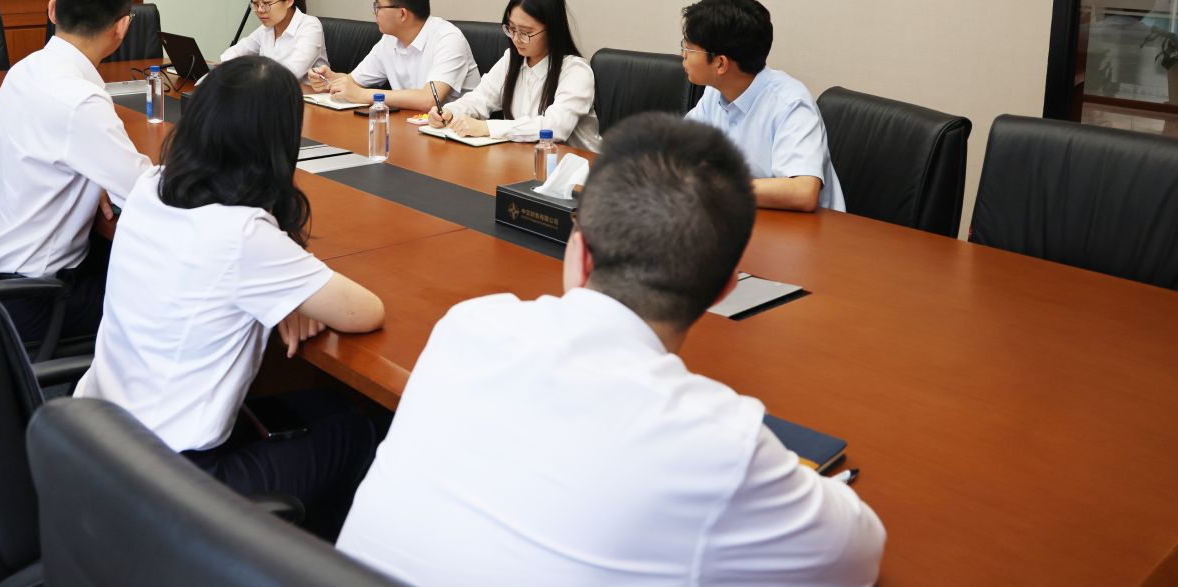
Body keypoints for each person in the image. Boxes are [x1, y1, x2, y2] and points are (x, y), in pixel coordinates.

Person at [337, 114, 885, 586]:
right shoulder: (719, 442)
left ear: (579, 252)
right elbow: (860, 553)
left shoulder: (469, 326)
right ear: (725, 289)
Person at [75, 55, 387, 540]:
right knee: (359, 432)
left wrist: (287, 293)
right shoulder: (242, 234)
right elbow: (366, 312)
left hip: (99, 441)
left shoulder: (151, 185)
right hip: (174, 479)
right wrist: (292, 294)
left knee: (311, 403)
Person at [0, 0, 152, 342]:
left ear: (52, 10)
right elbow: (148, 195)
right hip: (38, 298)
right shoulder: (80, 101)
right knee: (171, 296)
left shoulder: (25, 70)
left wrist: (94, 176)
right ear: (122, 27)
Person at [680, 0, 844, 212]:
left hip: (809, 229)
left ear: (720, 64)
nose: (683, 55)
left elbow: (804, 192)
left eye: (688, 48)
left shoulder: (790, 104)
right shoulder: (714, 93)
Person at [429, 0, 601, 151]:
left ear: (552, 30)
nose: (516, 39)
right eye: (511, 29)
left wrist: (487, 127)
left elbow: (554, 127)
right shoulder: (511, 59)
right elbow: (480, 98)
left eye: (525, 32)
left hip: (578, 163)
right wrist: (450, 112)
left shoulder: (576, 72)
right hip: (524, 158)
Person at [309, 0, 479, 111]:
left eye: (378, 6)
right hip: (411, 126)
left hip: (458, 131)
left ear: (402, 14)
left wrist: (363, 95)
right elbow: (354, 81)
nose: (374, 12)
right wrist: (331, 79)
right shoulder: (389, 40)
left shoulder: (448, 39)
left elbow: (429, 99)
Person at [218, 0, 327, 79]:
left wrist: (249, 71)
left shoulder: (310, 27)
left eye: (266, 3)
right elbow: (233, 53)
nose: (260, 10)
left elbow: (289, 73)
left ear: (289, 1)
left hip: (301, 90)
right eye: (255, 3)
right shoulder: (266, 29)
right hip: (268, 88)